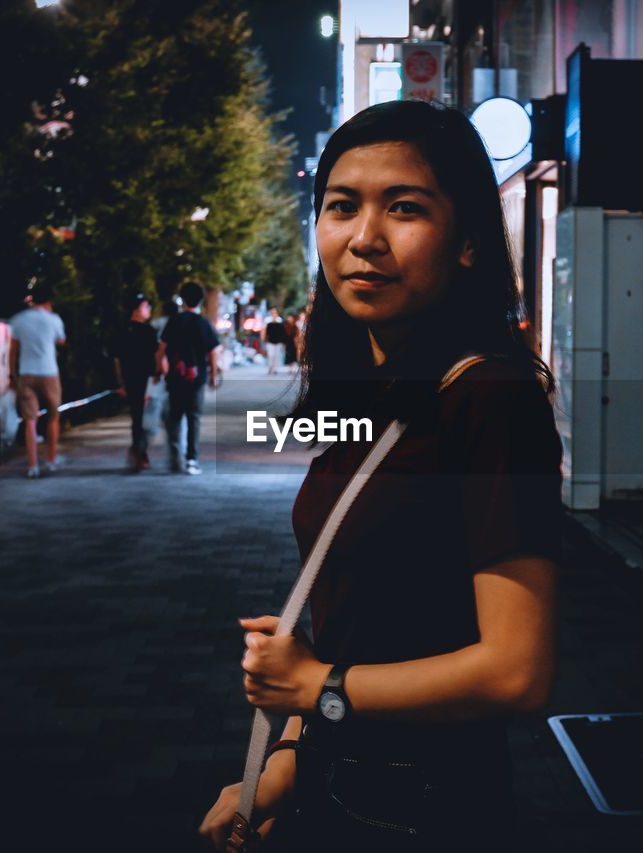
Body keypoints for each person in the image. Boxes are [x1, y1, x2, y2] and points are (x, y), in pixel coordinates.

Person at [199, 100, 562, 852]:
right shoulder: (379, 390)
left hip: (429, 810)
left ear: (466, 241)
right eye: (341, 207)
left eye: (404, 209)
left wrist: (316, 685)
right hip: (339, 788)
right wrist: (283, 765)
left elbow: (517, 669)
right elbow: (356, 627)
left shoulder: (490, 398)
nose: (365, 239)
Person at [156, 280, 220, 475]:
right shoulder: (204, 323)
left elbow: (162, 350)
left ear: (182, 300)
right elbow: (213, 353)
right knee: (194, 419)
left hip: (175, 378)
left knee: (174, 417)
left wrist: (162, 369)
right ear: (200, 300)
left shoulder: (173, 321)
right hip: (196, 378)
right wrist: (213, 376)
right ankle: (192, 459)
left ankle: (175, 457)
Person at [8, 281, 66, 478]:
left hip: (27, 372)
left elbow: (13, 350)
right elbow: (61, 340)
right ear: (49, 300)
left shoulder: (19, 320)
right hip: (49, 372)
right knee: (53, 417)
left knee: (30, 421)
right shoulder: (54, 319)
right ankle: (51, 460)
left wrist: (12, 374)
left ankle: (32, 466)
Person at [113, 292, 159, 472]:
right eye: (146, 306)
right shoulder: (147, 331)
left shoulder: (122, 330)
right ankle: (139, 453)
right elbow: (155, 356)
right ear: (137, 309)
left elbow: (116, 359)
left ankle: (138, 452)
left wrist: (120, 382)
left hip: (132, 380)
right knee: (143, 419)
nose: (149, 310)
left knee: (137, 417)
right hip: (144, 380)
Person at [261, 307, 287, 374]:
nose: (274, 313)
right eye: (272, 312)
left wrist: (283, 341)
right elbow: (264, 330)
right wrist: (263, 338)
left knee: (277, 355)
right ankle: (270, 367)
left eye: (275, 312)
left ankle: (275, 369)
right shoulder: (267, 320)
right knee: (271, 355)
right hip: (270, 340)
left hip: (278, 341)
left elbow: (282, 331)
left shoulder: (279, 320)